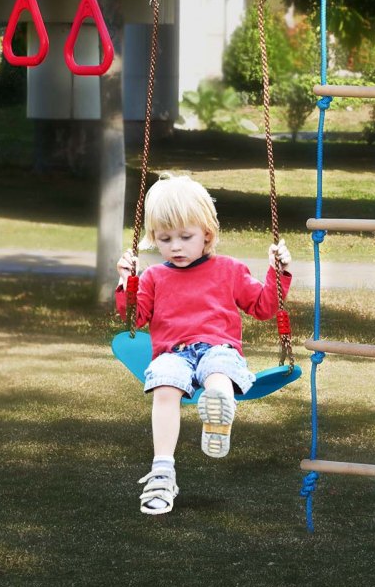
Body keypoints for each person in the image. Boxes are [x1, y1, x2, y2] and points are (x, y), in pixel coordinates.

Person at [115, 173, 292, 516]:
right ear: (154, 238)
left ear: (207, 234)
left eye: (185, 237)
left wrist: (278, 272)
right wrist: (127, 282)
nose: (175, 247)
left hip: (217, 349)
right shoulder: (153, 277)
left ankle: (218, 412)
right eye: (165, 239)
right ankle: (162, 472)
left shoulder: (229, 270)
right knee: (165, 386)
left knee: (218, 370)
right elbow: (135, 319)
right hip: (173, 354)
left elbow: (263, 307)